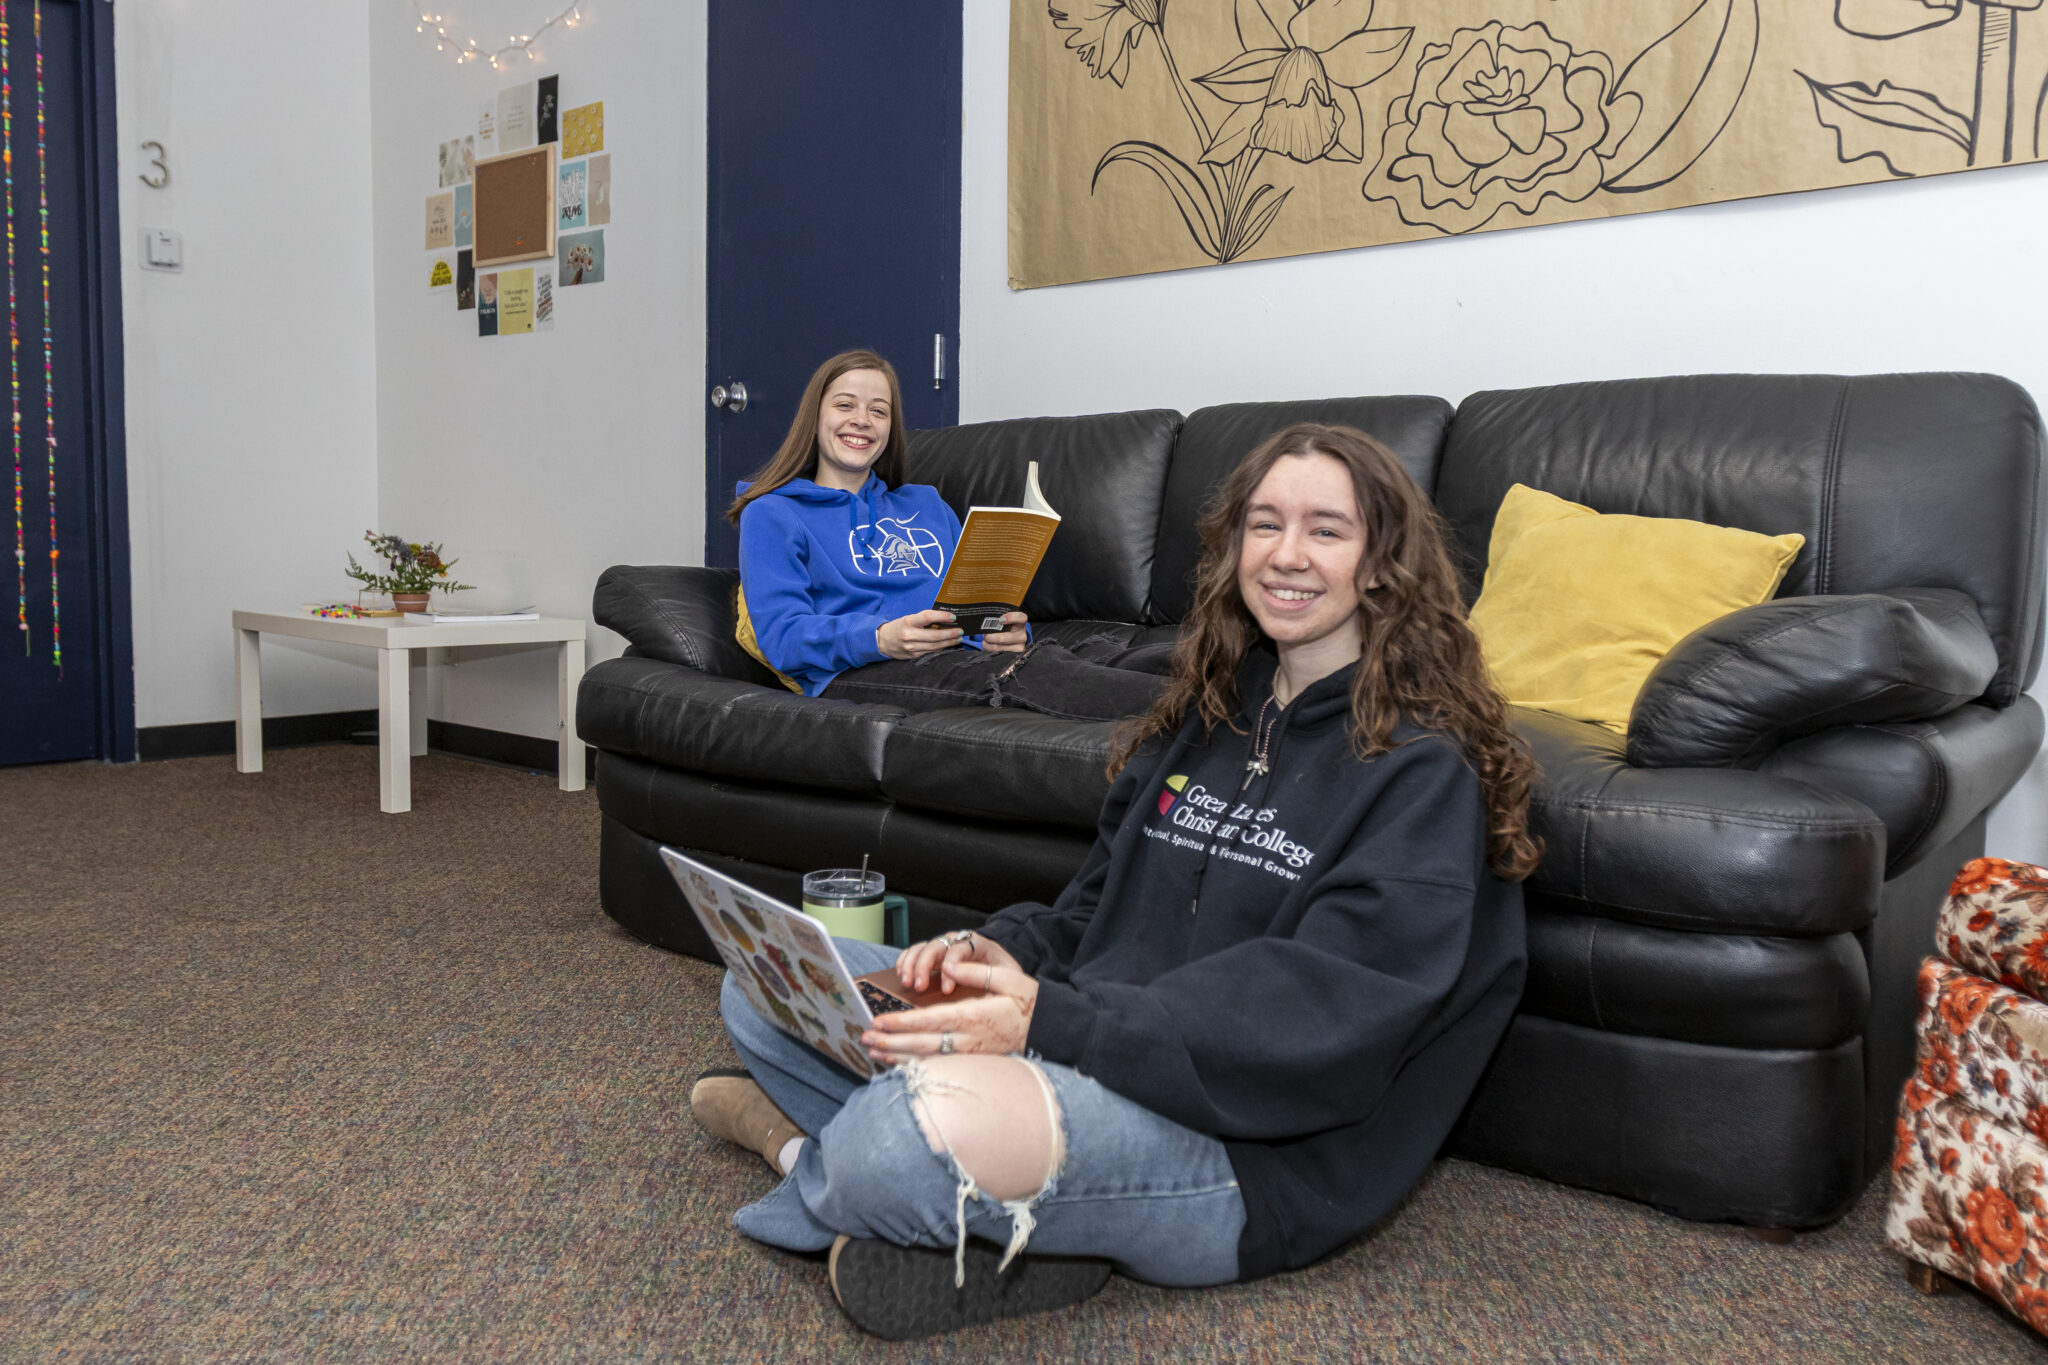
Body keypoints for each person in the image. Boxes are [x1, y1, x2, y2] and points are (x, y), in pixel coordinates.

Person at [692, 422, 1542, 1339]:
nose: (1287, 555)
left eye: (1326, 530)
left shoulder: (1422, 770)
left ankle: (799, 1151)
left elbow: (1319, 1018)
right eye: (1265, 525)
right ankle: (1032, 1226)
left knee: (894, 1140)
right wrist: (996, 951)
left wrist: (1046, 1020)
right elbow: (1094, 910)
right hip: (1095, 1051)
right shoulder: (1211, 716)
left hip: (1250, 1153)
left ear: (1381, 563)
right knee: (763, 984)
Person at [729, 349, 1172, 722]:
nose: (862, 420)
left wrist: (1005, 631)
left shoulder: (924, 504)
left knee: (1122, 654)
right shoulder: (772, 513)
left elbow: (968, 602)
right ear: (815, 416)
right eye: (845, 405)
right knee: (1035, 673)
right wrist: (880, 637)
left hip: (959, 654)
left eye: (878, 411)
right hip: (862, 669)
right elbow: (783, 637)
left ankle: (1232, 686)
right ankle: (1208, 716)